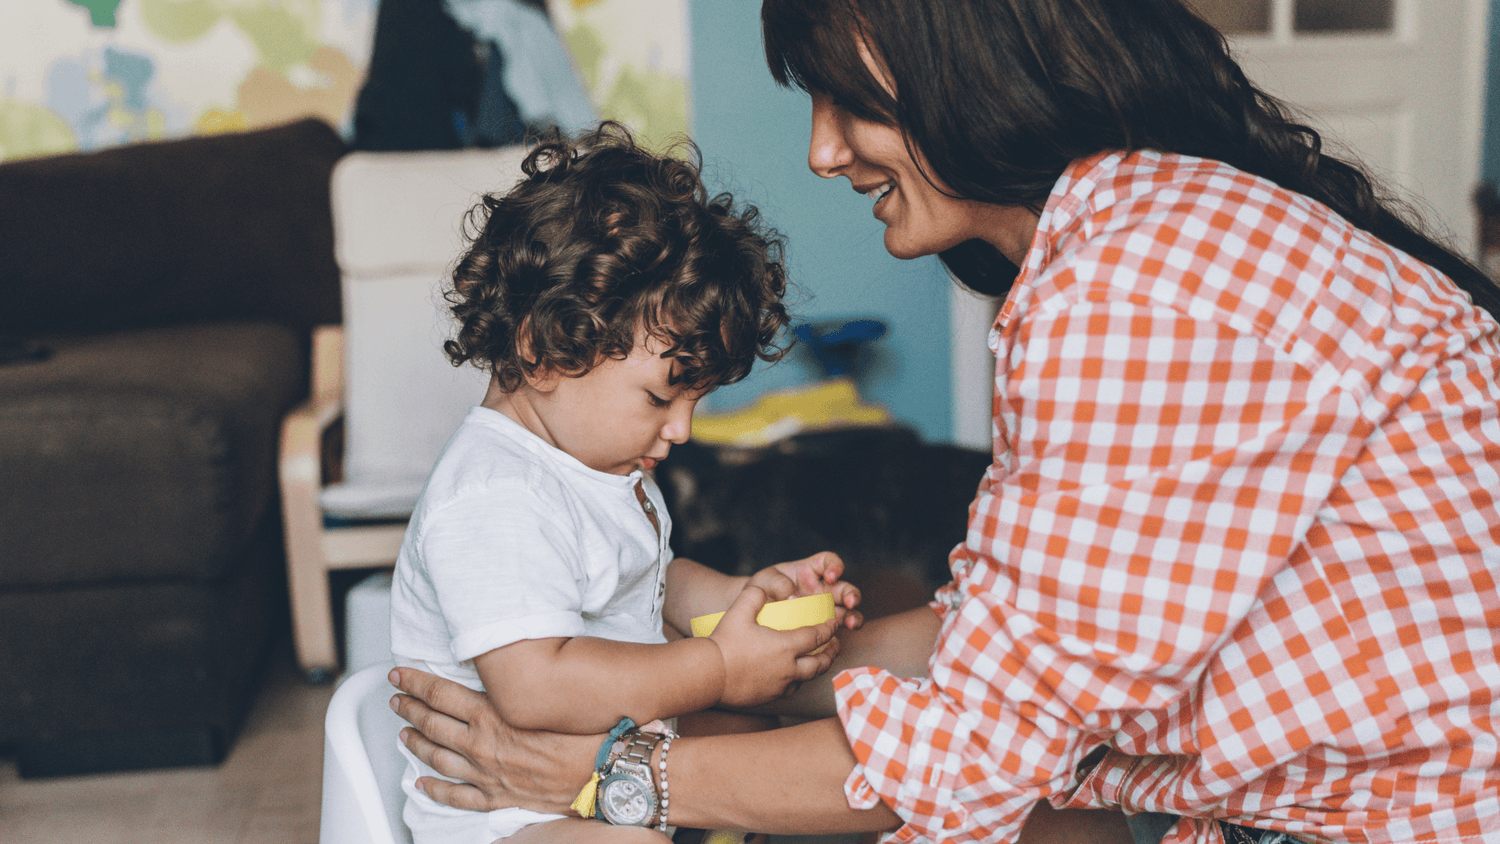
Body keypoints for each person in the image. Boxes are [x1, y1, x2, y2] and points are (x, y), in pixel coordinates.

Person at [388, 2, 1500, 842]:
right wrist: (768, 662)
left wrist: (614, 768)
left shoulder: (1131, 294)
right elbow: (1010, 651)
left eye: (848, 99)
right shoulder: (1135, 233)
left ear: (964, 63)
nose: (823, 151)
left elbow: (976, 752)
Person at [390, 121, 863, 844]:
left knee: (751, 742)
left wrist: (741, 601)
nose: (682, 430)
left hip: (591, 781)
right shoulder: (496, 494)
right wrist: (718, 667)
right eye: (660, 398)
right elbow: (536, 685)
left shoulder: (593, 464)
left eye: (696, 402)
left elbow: (646, 581)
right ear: (545, 350)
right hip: (508, 820)